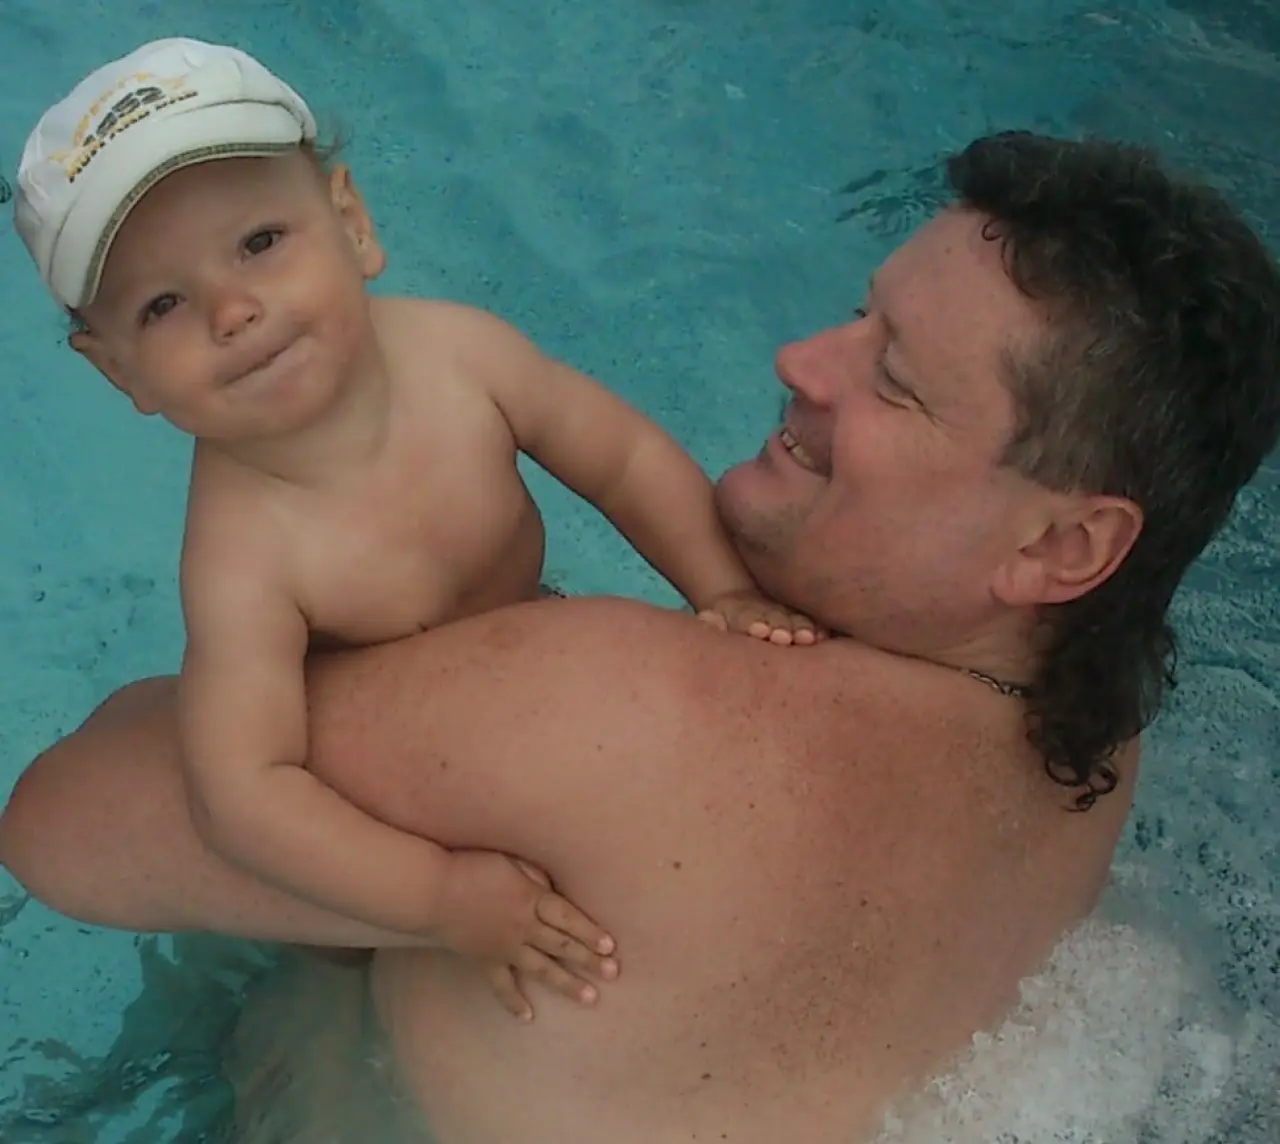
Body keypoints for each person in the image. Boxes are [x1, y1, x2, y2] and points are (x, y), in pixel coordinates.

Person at [3, 129, 1279, 1143]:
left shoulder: (615, 709)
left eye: (891, 380)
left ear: (1064, 546)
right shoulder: (1097, 737)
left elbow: (60, 827)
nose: (800, 359)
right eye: (857, 315)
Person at [9, 36, 822, 1016]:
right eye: (163, 305)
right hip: (375, 817)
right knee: (350, 986)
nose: (232, 310)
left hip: (518, 679)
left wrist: (721, 590)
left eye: (259, 243)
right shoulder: (243, 556)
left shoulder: (462, 357)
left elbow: (622, 460)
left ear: (351, 224)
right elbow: (246, 793)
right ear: (118, 371)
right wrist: (435, 900)